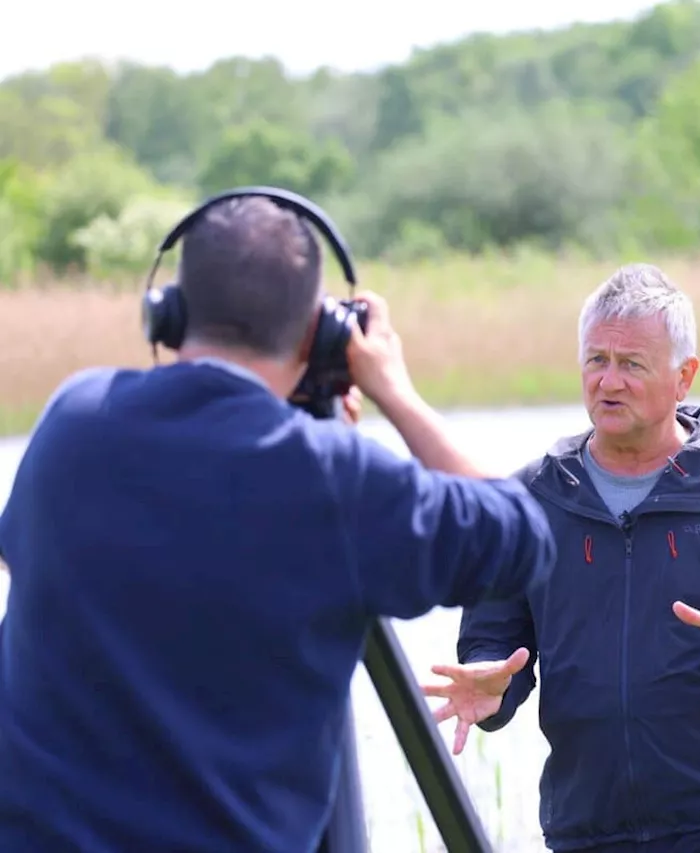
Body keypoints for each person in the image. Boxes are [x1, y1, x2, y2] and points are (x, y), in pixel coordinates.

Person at [0, 196, 557, 852]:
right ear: (317, 335)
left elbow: (33, 557)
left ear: (170, 311)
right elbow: (520, 536)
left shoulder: (74, 418)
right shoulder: (334, 483)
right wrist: (392, 391)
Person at [422, 263, 700, 852]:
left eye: (632, 365)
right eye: (596, 360)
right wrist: (492, 690)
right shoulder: (529, 503)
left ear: (683, 377)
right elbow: (493, 648)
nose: (608, 381)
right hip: (586, 831)